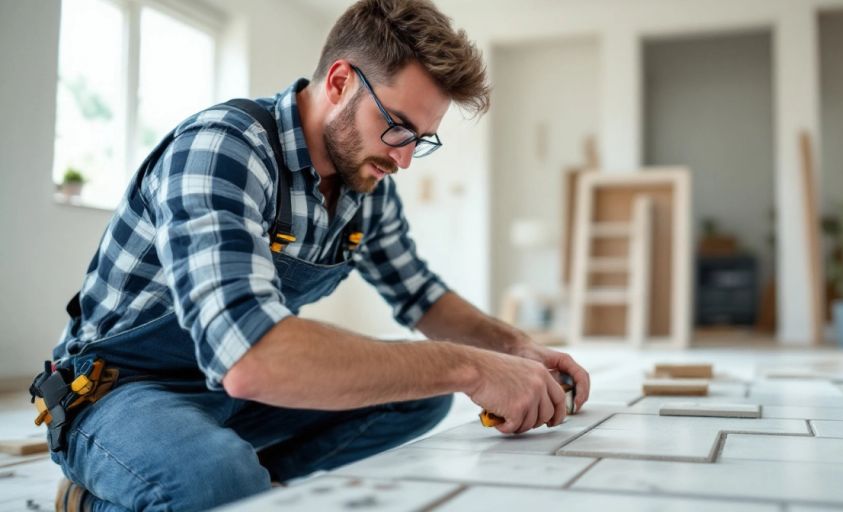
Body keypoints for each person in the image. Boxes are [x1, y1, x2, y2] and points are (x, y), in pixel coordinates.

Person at [38, 0, 590, 510]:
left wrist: (515, 349)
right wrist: (471, 365)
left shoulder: (364, 185)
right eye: (396, 127)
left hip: (224, 392)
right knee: (218, 480)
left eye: (420, 139)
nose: (404, 160)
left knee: (421, 396)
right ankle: (99, 498)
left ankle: (254, 483)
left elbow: (421, 296)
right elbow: (252, 359)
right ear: (340, 80)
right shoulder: (223, 149)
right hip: (119, 394)